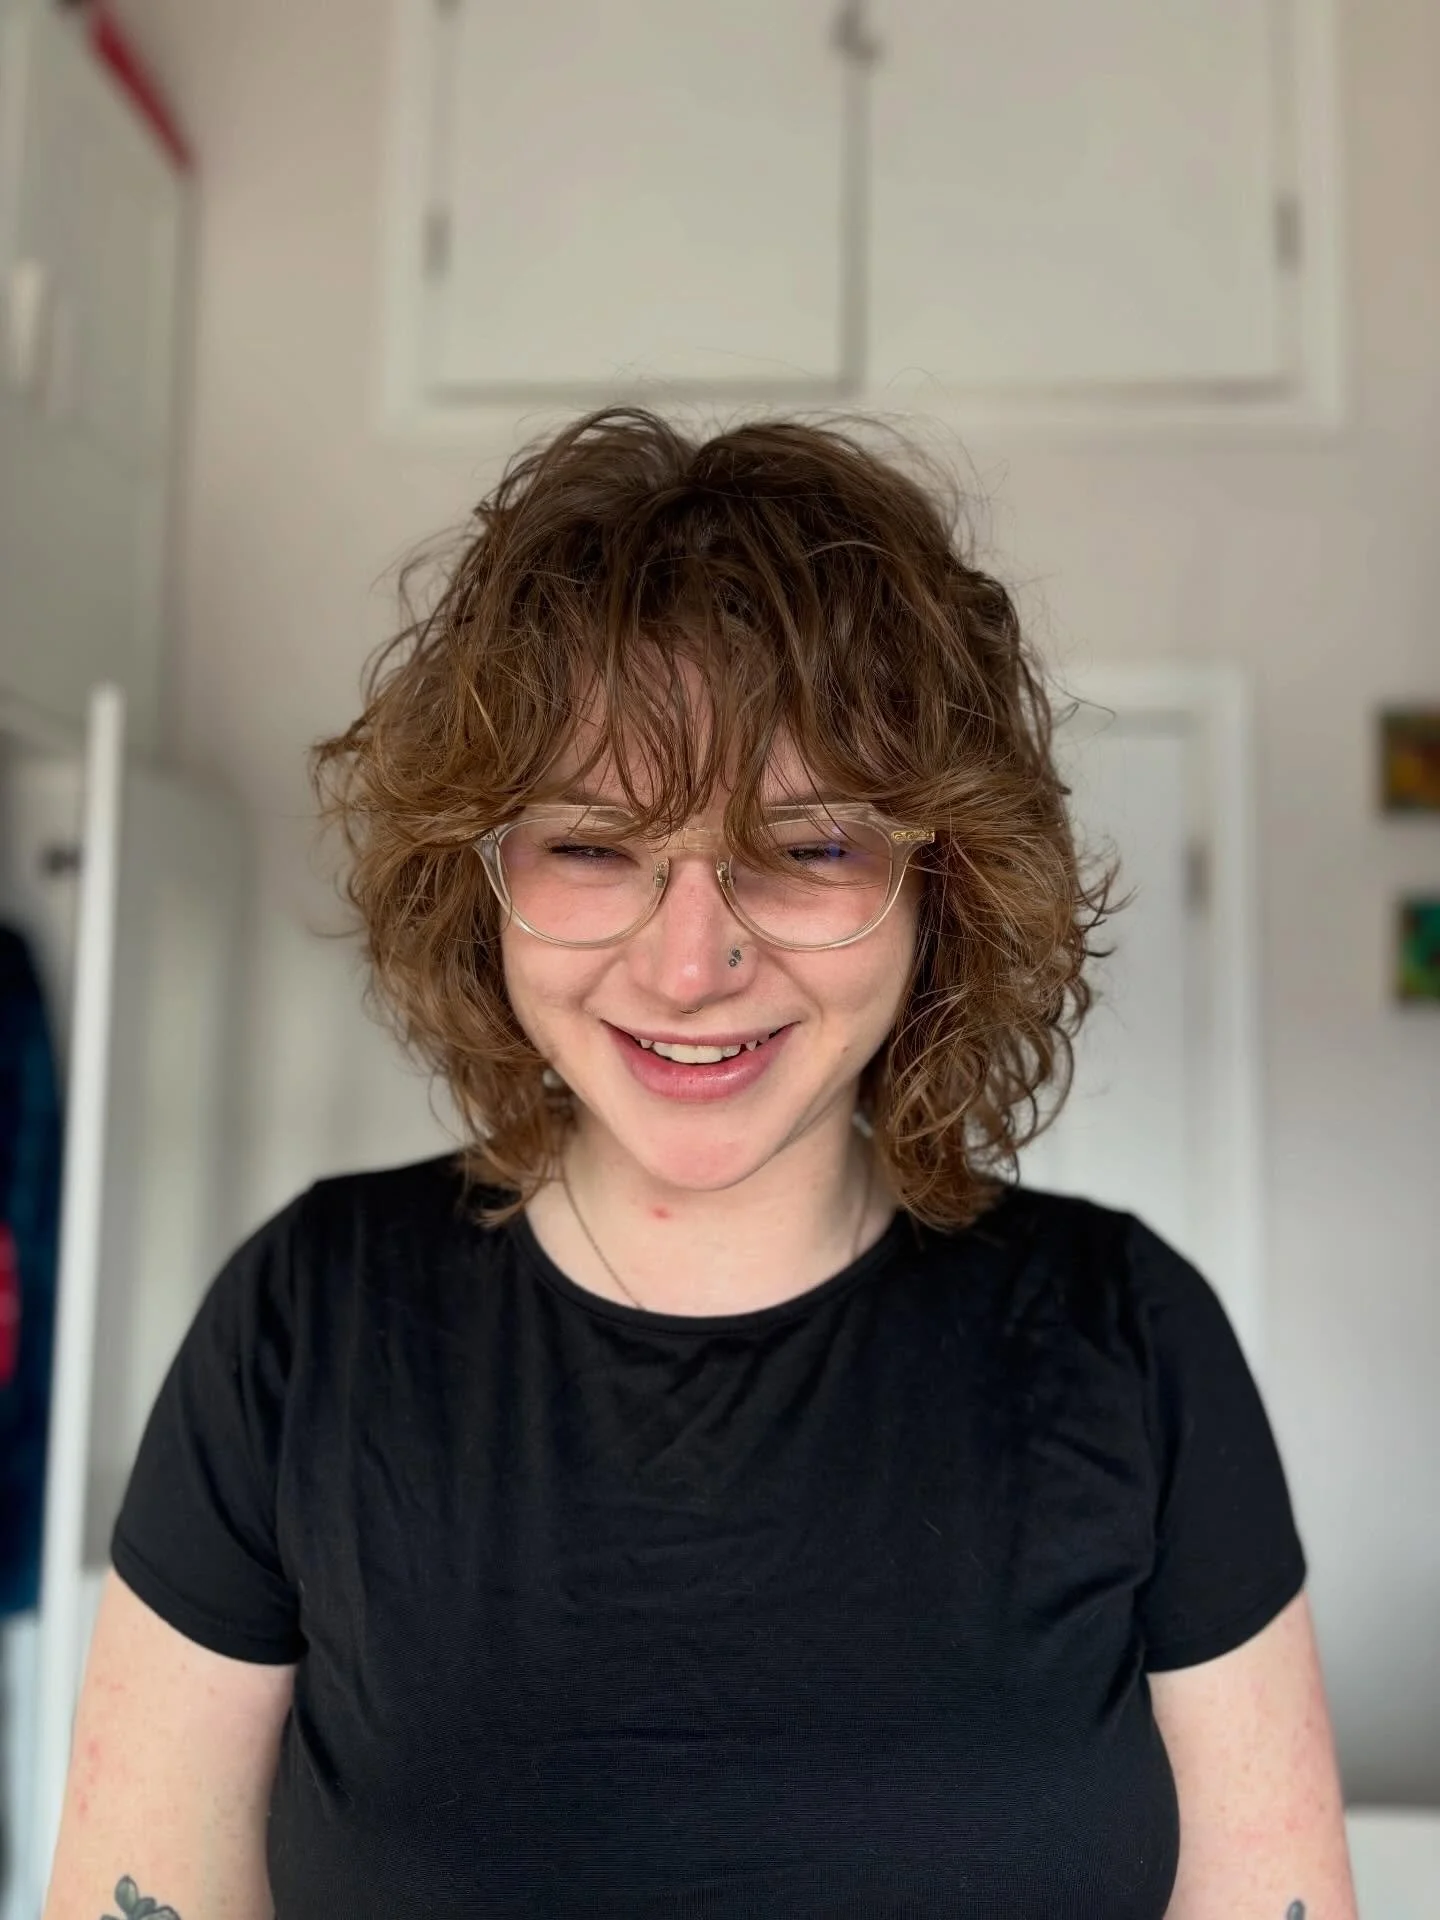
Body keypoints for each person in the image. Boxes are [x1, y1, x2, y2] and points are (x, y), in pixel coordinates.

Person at [43, 409, 1357, 1918]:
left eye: (807, 847)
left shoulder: (1131, 1338)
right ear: (482, 878)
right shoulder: (304, 1324)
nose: (690, 965)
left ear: (944, 882)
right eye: (593, 844)